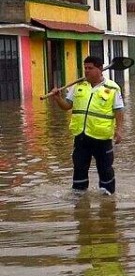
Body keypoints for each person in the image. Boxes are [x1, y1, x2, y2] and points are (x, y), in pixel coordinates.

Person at [49, 55, 124, 195]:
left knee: (105, 170)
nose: (87, 71)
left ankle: (108, 201)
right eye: (85, 68)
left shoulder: (112, 88)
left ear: (100, 69)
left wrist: (119, 130)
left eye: (90, 68)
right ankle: (79, 202)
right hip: (81, 136)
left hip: (102, 138)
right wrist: (58, 98)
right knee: (79, 169)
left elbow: (119, 110)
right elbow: (67, 106)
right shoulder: (78, 86)